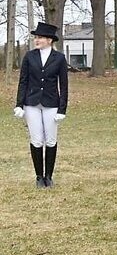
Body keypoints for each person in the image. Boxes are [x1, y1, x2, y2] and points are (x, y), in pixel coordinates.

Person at [14, 22, 68, 188]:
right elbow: (23, 81)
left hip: (51, 103)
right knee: (36, 140)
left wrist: (62, 109)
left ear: (49, 40)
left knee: (51, 140)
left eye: (40, 37)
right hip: (31, 103)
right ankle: (39, 177)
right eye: (36, 37)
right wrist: (19, 104)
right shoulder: (29, 56)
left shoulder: (59, 58)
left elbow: (64, 85)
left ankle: (49, 176)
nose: (37, 40)